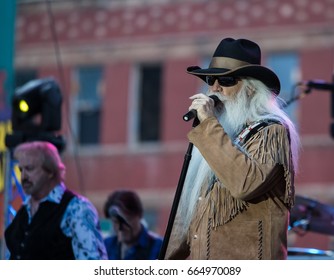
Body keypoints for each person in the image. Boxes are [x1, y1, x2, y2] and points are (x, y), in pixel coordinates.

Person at [164, 37, 300, 260]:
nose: (215, 88)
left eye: (226, 80)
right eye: (210, 79)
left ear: (250, 89)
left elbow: (245, 183)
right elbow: (184, 219)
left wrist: (208, 124)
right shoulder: (213, 136)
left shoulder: (271, 131)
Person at [4, 141, 107, 260]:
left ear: (50, 171)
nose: (23, 177)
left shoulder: (76, 208)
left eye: (29, 169)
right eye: (21, 170)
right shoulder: (24, 211)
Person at [103, 190, 163, 260]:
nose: (120, 228)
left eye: (126, 220)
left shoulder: (159, 247)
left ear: (139, 215)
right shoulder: (106, 246)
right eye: (115, 222)